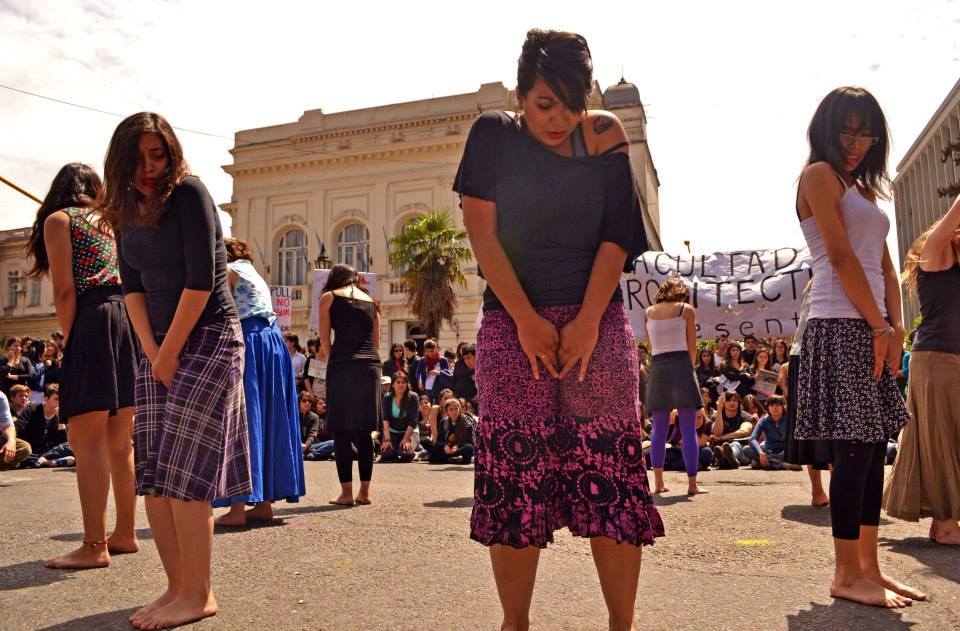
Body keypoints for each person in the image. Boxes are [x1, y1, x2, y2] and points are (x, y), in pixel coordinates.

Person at [455, 29, 662, 631]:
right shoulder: (492, 134)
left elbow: (617, 236)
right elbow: (482, 234)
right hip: (509, 323)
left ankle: (621, 624)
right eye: (545, 104)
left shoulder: (604, 134)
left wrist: (589, 322)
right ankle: (514, 623)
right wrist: (525, 320)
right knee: (514, 472)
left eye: (572, 104)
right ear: (521, 95)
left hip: (596, 320)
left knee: (611, 468)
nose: (559, 118)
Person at [107, 112, 251, 628]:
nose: (149, 168)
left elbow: (203, 281)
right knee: (156, 474)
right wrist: (151, 349)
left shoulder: (190, 194)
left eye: (157, 155)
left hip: (209, 338)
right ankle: (175, 588)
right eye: (139, 157)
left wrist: (169, 354)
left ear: (171, 154)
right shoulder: (124, 209)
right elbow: (132, 289)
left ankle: (199, 592)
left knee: (187, 472)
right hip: (159, 344)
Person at [794, 88, 919, 607]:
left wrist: (895, 327)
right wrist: (878, 327)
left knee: (871, 453)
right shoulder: (818, 175)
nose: (857, 142)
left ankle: (870, 567)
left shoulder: (862, 190)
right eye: (847, 131)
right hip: (841, 321)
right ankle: (846, 573)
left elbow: (886, 266)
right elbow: (842, 257)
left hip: (873, 325)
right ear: (827, 129)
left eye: (866, 133)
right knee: (852, 448)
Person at [24, 162, 142, 571]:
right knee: (119, 439)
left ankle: (94, 545)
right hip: (127, 319)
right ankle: (125, 533)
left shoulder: (59, 220)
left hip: (93, 319)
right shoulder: (113, 222)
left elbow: (63, 290)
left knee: (85, 438)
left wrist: (71, 341)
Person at [883, 193, 960, 544]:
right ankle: (945, 523)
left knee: (944, 437)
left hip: (949, 359)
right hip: (938, 359)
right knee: (940, 438)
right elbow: (946, 228)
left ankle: (944, 520)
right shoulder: (936, 254)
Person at [213, 237, 305, 527]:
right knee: (270, 417)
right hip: (272, 342)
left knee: (245, 416)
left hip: (250, 340)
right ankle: (263, 503)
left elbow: (219, 311)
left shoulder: (228, 271)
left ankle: (238, 506)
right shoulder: (254, 273)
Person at [317, 263, 380, 507]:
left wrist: (335, 361)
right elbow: (376, 341)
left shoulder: (329, 297)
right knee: (364, 430)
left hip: (343, 363)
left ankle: (346, 493)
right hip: (370, 365)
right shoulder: (371, 302)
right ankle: (365, 492)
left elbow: (325, 341)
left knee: (342, 429)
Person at [643, 278, 705, 495]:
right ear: (681, 293)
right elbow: (692, 348)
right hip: (681, 366)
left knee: (659, 428)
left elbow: (651, 347)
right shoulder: (685, 309)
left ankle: (659, 483)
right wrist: (691, 372)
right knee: (688, 427)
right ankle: (692, 485)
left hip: (658, 367)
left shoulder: (648, 312)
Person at [784, 279, 832, 507]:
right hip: (819, 352)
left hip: (802, 352)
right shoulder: (834, 274)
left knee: (810, 424)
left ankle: (818, 492)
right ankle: (827, 490)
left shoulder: (813, 281)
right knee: (831, 423)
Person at [15, 383, 71, 467]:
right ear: (46, 399)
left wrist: (60, 420)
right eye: (56, 399)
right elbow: (19, 428)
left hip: (46, 451)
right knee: (24, 452)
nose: (60, 402)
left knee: (70, 446)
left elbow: (62, 442)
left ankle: (40, 461)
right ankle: (44, 461)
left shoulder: (60, 416)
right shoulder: (32, 409)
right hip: (30, 448)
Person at [742, 396, 797, 470]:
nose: (774, 408)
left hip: (785, 451)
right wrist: (760, 453)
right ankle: (781, 465)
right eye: (771, 405)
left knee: (795, 452)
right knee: (746, 449)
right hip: (768, 450)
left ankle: (760, 463)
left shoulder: (790, 419)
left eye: (777, 405)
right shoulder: (764, 420)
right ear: (768, 407)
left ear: (783, 407)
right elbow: (752, 439)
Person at [379, 372, 419, 463]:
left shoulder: (413, 397)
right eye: (398, 382)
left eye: (403, 382)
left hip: (409, 432)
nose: (401, 384)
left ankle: (414, 452)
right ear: (392, 384)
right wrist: (387, 440)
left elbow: (414, 420)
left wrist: (406, 438)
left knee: (405, 455)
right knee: (387, 455)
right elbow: (385, 419)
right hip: (392, 432)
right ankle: (395, 450)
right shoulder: (387, 398)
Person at [710, 392, 756, 469]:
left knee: (735, 444)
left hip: (740, 451)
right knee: (718, 448)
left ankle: (728, 457)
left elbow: (744, 432)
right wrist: (719, 410)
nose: (732, 403)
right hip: (718, 447)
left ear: (739, 402)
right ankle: (725, 459)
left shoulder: (745, 416)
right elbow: (717, 433)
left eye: (734, 400)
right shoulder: (717, 415)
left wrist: (722, 438)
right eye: (728, 400)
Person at [428, 398, 475, 464]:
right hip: (448, 448)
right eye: (451, 409)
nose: (454, 412)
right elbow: (439, 441)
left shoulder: (467, 423)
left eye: (456, 409)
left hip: (459, 449)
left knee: (469, 448)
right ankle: (453, 459)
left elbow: (470, 442)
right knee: (432, 455)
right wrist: (445, 446)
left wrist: (457, 446)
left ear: (459, 410)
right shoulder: (444, 422)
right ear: (447, 412)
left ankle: (450, 458)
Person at [0, 390, 32, 470]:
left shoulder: (1, 397)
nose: (24, 398)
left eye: (26, 396)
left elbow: (7, 426)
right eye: (21, 395)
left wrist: (11, 441)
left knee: (24, 448)